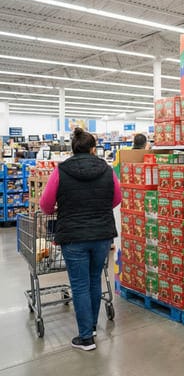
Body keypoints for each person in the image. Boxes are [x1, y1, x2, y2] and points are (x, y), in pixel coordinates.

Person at [40, 127, 122, 351]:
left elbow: (46, 206)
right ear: (93, 148)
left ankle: (86, 338)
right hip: (102, 235)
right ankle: (92, 328)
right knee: (95, 280)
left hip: (74, 236)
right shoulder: (107, 169)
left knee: (80, 285)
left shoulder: (61, 171)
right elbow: (117, 198)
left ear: (72, 148)